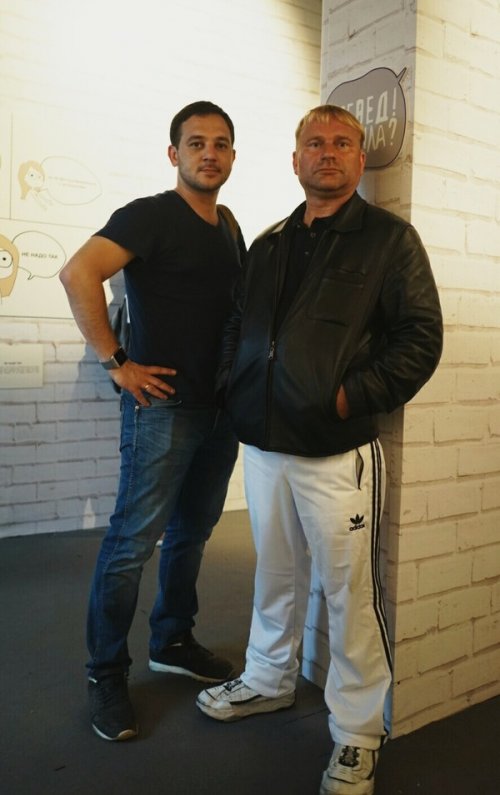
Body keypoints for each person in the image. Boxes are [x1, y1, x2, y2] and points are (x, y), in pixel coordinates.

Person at [196, 105, 443, 795]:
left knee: (348, 593)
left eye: (341, 143)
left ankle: (358, 733)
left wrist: (347, 398)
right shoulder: (270, 243)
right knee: (274, 573)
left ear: (361, 160)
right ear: (295, 159)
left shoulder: (389, 241)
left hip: (337, 452)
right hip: (264, 443)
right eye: (314, 142)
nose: (326, 152)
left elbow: (420, 337)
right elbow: (239, 324)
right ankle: (268, 678)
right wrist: (234, 386)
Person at [60, 100, 245, 742]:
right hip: (161, 406)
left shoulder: (228, 226)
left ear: (232, 155)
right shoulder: (151, 214)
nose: (209, 154)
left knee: (192, 533)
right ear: (174, 154)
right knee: (131, 543)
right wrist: (117, 362)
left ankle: (172, 640)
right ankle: (106, 674)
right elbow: (78, 272)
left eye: (220, 144)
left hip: (218, 410)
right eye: (196, 143)